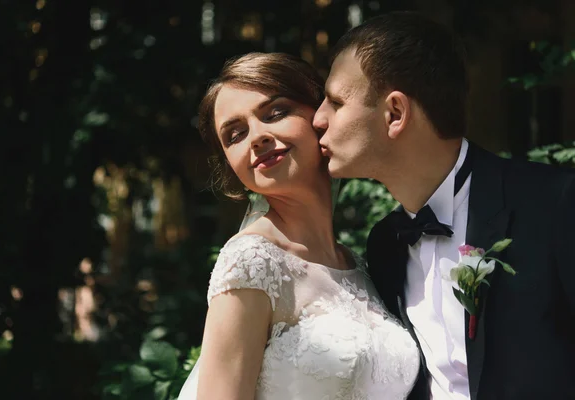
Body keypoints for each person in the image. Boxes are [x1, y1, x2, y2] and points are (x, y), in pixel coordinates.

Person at [313, 11, 575, 400]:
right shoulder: (385, 244)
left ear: (395, 113)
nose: (318, 118)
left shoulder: (553, 205)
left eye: (336, 101)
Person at [177, 52, 420, 400]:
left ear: (321, 116)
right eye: (235, 134)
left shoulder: (360, 265)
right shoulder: (251, 262)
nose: (257, 137)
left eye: (275, 114)